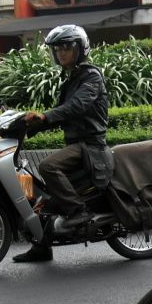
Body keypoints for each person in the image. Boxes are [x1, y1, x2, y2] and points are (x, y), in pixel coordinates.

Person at [12, 24, 109, 263]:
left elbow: (76, 106)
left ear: (80, 49)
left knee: (48, 167)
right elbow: (63, 114)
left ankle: (79, 211)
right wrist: (29, 124)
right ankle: (42, 248)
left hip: (90, 146)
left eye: (67, 47)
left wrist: (45, 116)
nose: (61, 53)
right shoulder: (72, 79)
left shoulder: (91, 77)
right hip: (76, 145)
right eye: (57, 49)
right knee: (41, 196)